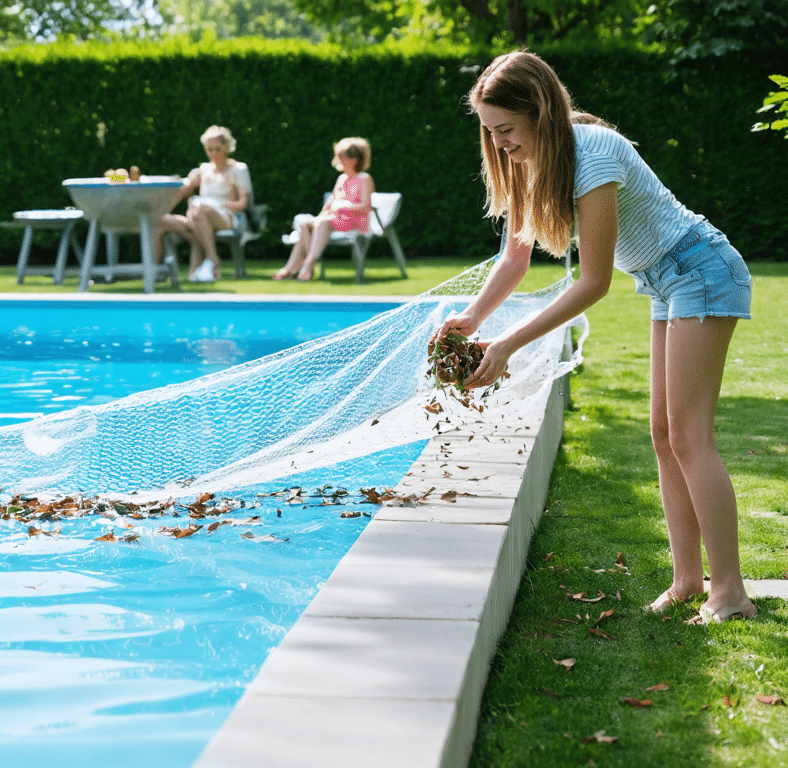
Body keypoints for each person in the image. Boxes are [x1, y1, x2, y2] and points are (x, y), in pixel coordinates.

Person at [434, 51, 756, 623]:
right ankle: (687, 579)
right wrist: (476, 319)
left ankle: (729, 591)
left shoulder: (592, 153)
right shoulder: (531, 158)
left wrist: (509, 345)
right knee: (664, 434)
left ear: (539, 111)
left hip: (701, 270)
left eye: (506, 130)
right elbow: (515, 256)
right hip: (666, 280)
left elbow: (595, 282)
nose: (501, 144)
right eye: (490, 132)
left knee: (689, 437)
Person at [154, 125, 251, 283]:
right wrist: (162, 208)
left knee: (198, 210)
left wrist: (217, 204)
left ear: (227, 147)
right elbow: (180, 193)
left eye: (217, 149)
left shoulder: (238, 169)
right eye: (209, 149)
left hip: (226, 218)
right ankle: (154, 271)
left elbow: (242, 204)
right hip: (198, 218)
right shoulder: (202, 170)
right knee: (160, 221)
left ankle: (213, 260)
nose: (213, 154)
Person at [273, 137, 374, 281]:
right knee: (304, 224)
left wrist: (343, 207)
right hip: (335, 221)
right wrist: (320, 216)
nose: (339, 160)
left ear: (355, 159)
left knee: (321, 223)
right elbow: (329, 205)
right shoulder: (341, 179)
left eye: (342, 157)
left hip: (355, 222)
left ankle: (305, 265)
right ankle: (296, 267)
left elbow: (365, 206)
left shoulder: (364, 178)